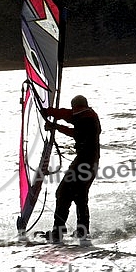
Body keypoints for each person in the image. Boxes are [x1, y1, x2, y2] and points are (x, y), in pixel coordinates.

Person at [40, 95, 101, 242]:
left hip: (84, 163)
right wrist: (55, 126)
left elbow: (68, 115)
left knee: (63, 193)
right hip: (90, 163)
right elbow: (74, 132)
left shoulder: (86, 115)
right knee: (80, 196)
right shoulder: (87, 119)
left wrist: (48, 111)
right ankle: (82, 231)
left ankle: (58, 232)